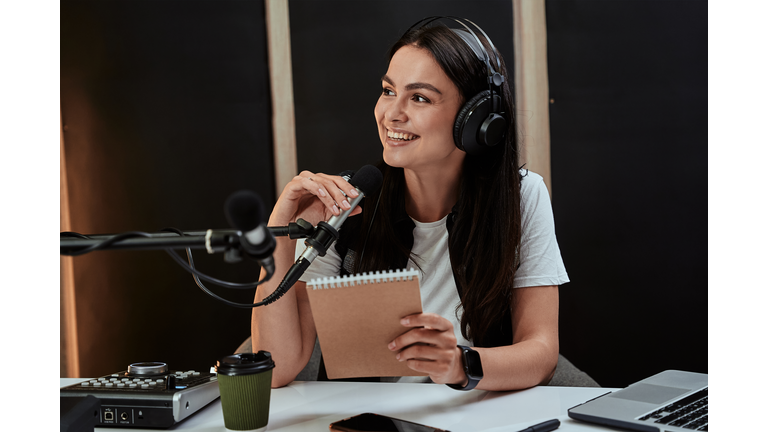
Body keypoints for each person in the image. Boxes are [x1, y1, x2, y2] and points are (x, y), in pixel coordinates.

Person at [251, 18, 568, 391]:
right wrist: (282, 234)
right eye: (388, 91)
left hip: (476, 412)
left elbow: (542, 352)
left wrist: (459, 365)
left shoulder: (521, 197)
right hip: (371, 418)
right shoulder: (345, 206)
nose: (391, 114)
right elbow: (277, 367)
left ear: (476, 118)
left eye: (419, 97)